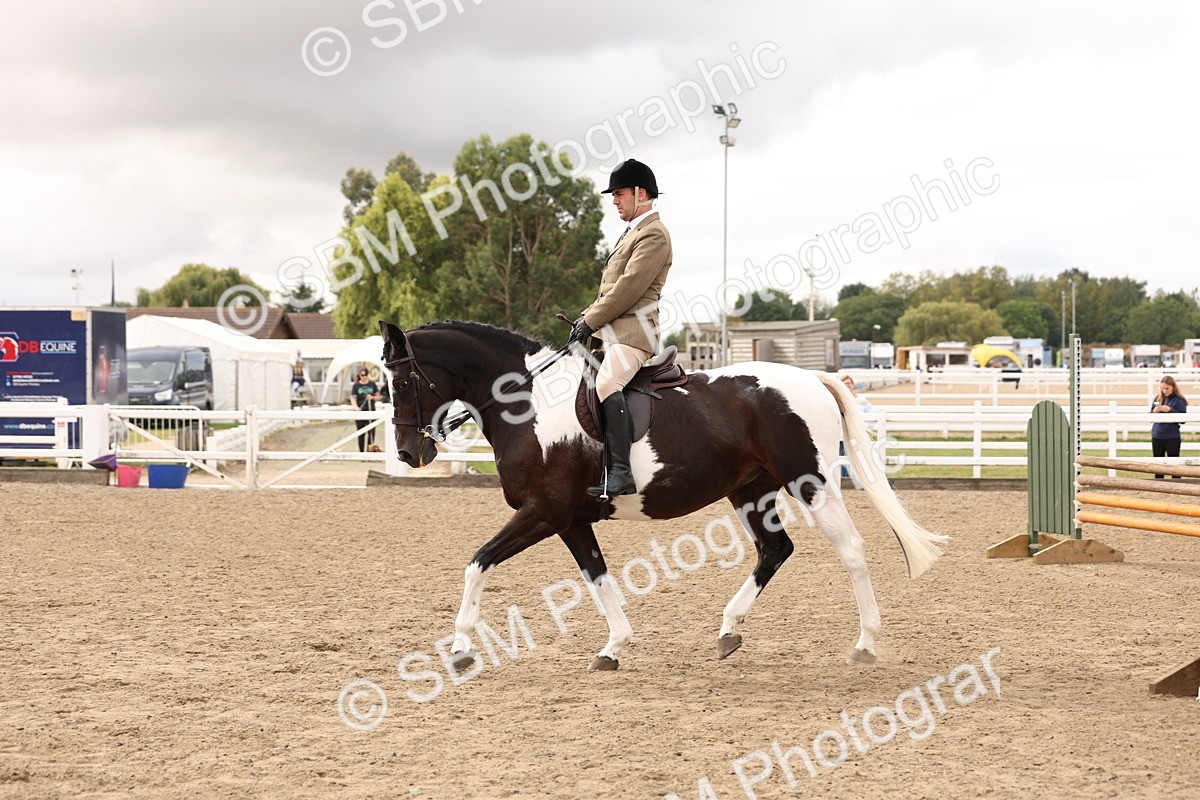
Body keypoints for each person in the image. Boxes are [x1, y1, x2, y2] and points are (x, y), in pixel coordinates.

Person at [566, 158, 673, 499]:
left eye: (620, 193)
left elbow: (627, 288)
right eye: (613, 194)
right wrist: (587, 321)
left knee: (608, 381)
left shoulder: (654, 234)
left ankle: (621, 475)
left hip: (634, 334)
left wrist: (589, 320)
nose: (614, 200)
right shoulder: (631, 233)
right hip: (611, 333)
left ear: (642, 194)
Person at [1150, 376, 1187, 479]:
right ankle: (1158, 487)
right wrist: (1154, 411)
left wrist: (1169, 410)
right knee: (1158, 466)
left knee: (1174, 466)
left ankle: (1177, 487)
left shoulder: (1179, 400)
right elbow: (1150, 417)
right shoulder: (1158, 398)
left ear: (1173, 387)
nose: (1165, 391)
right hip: (1157, 435)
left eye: (1167, 388)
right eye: (1163, 388)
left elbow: (1183, 419)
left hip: (1172, 437)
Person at [352, 367, 382, 453]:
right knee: (361, 433)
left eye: (365, 375)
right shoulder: (356, 385)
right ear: (359, 375)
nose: (364, 377)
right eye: (362, 375)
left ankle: (370, 452)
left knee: (371, 433)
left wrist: (372, 397)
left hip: (371, 411)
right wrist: (356, 407)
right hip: (361, 412)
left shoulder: (372, 384)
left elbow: (378, 396)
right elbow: (353, 398)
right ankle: (361, 452)